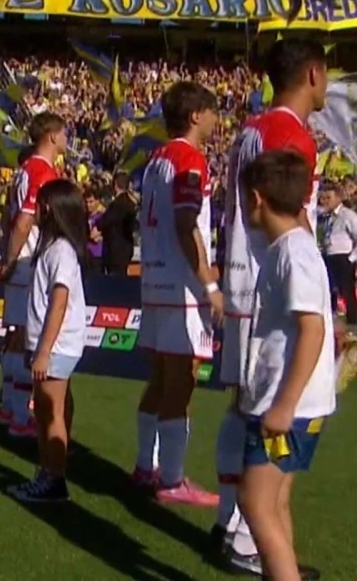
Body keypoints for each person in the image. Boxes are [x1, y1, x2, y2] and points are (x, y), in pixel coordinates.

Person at [216, 38, 327, 575]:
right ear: (312, 74)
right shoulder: (288, 135)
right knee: (266, 471)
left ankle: (244, 536)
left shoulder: (255, 129)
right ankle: (244, 537)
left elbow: (310, 328)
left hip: (259, 293)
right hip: (268, 293)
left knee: (255, 429)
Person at [236, 151, 334, 581]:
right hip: (289, 406)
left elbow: (311, 330)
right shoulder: (289, 249)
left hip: (290, 410)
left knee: (254, 502)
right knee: (272, 501)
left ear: (255, 199)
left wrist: (284, 405)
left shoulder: (294, 253)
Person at [134, 81, 221, 507]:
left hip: (154, 279)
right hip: (182, 286)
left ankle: (143, 464)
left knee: (161, 378)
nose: (215, 120)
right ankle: (171, 478)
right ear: (194, 116)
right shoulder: (189, 158)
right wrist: (209, 283)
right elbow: (187, 223)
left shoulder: (154, 160)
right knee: (180, 381)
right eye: (210, 112)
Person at [9, 179, 88, 503]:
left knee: (48, 410)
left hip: (54, 345)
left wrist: (43, 351)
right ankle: (50, 471)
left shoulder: (61, 251)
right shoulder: (52, 247)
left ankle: (53, 479)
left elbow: (59, 301)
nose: (36, 209)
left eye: (42, 204)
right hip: (51, 343)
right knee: (53, 408)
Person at [0, 112, 67, 438]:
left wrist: (6, 256)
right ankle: (19, 416)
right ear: (52, 136)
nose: (66, 139)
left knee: (16, 337)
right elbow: (25, 221)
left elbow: (6, 219)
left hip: (20, 263)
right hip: (29, 264)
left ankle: (9, 406)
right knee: (28, 338)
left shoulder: (22, 171)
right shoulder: (40, 169)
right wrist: (12, 260)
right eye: (63, 133)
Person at [318, 183, 357, 325]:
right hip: (329, 257)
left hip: (343, 257)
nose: (325, 201)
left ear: (338, 198)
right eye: (323, 198)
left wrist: (351, 259)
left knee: (346, 291)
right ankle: (331, 320)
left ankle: (353, 322)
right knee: (329, 290)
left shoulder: (348, 215)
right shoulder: (328, 217)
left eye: (329, 197)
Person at [98, 172, 137, 276]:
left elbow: (103, 222)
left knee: (115, 281)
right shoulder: (131, 204)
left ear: (115, 185)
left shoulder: (116, 205)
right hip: (126, 249)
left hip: (115, 250)